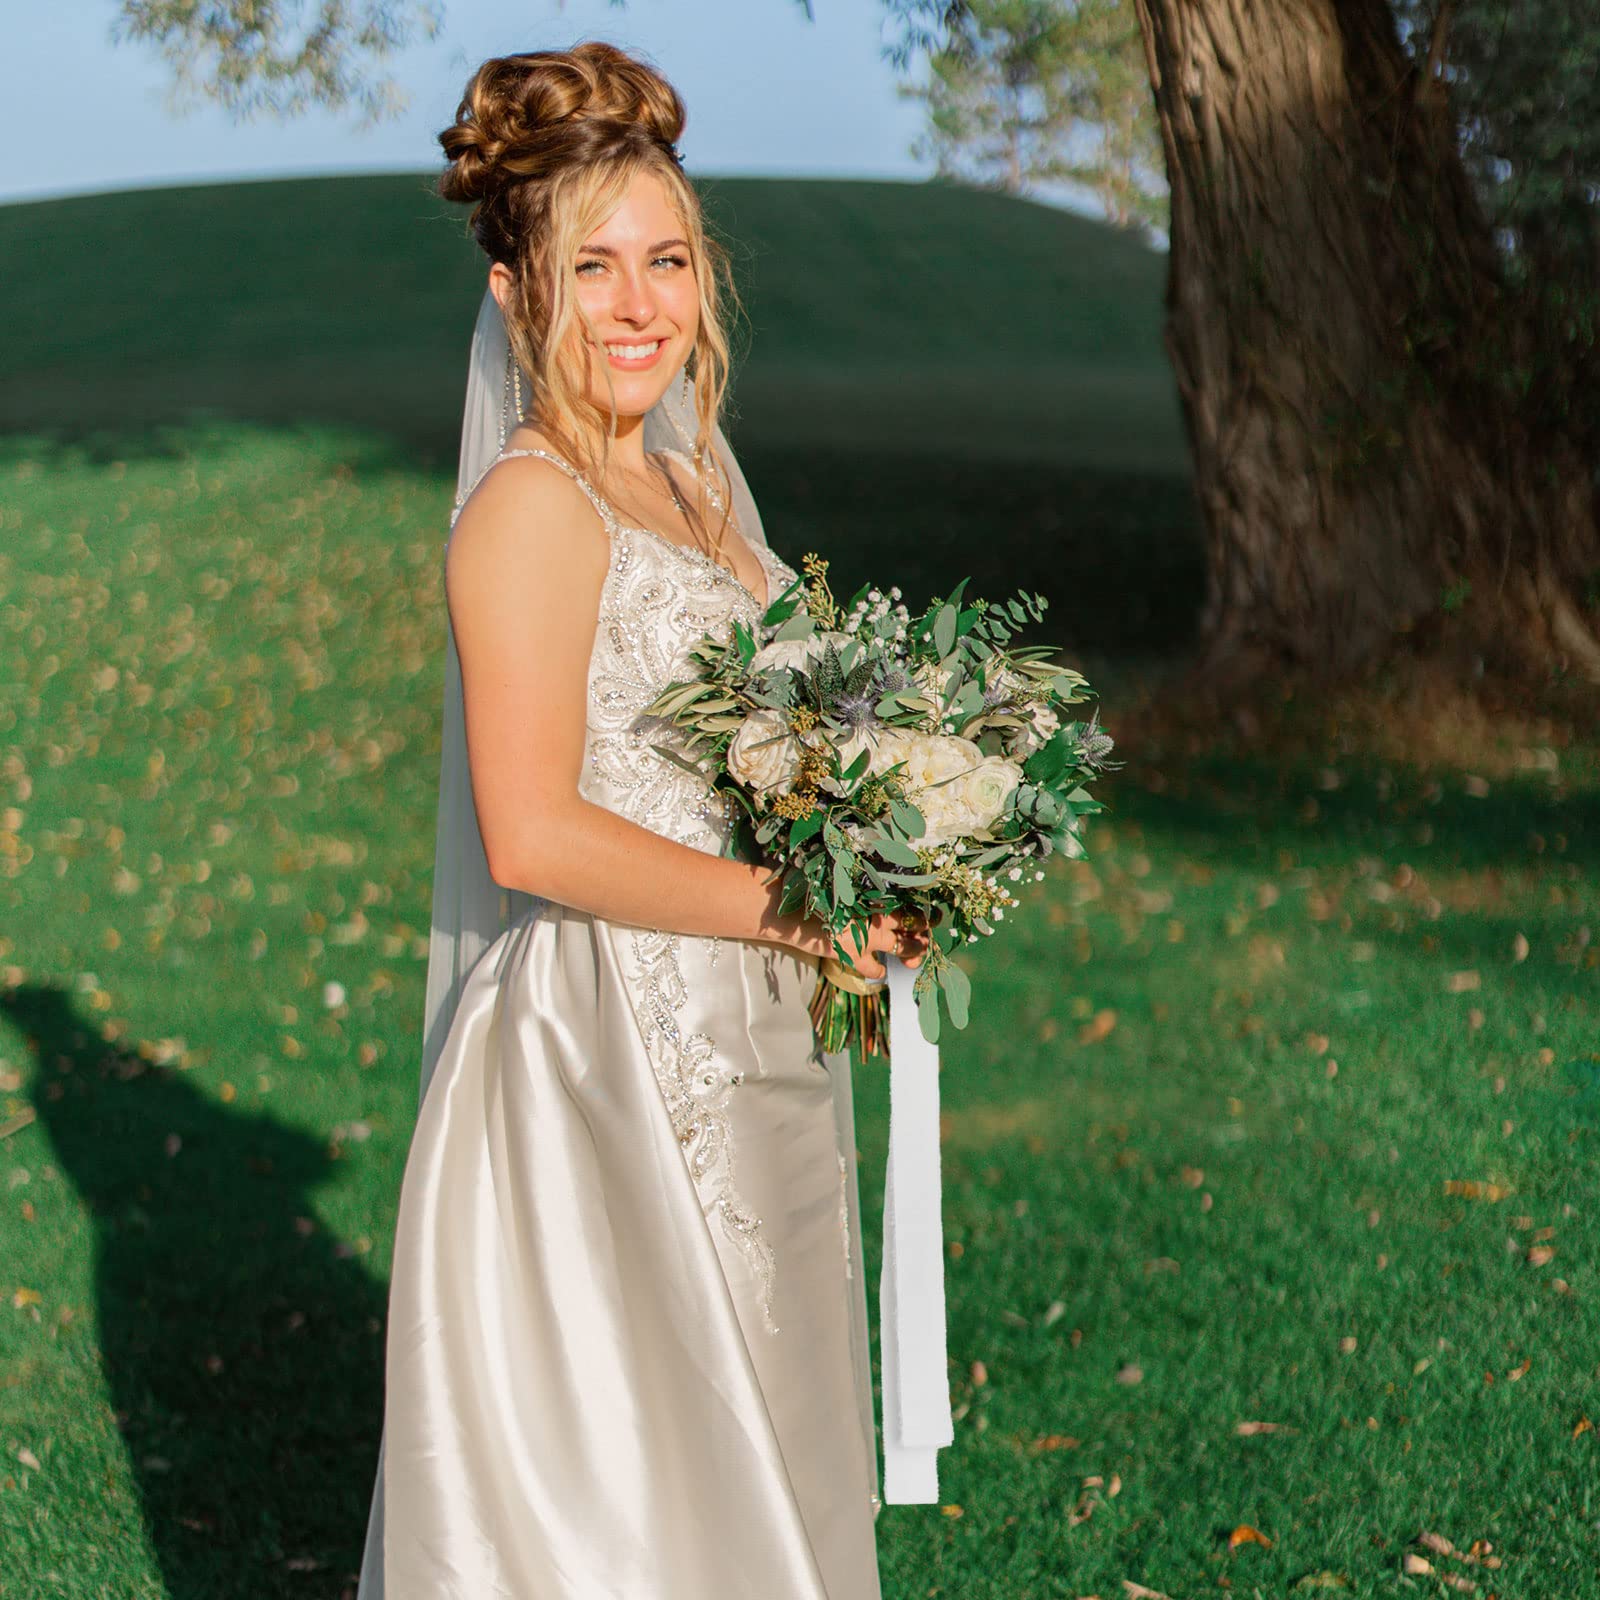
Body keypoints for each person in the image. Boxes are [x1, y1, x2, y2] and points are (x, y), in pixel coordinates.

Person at [355, 40, 931, 1599]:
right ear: (515, 295)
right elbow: (531, 834)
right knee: (640, 1491)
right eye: (590, 266)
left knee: (772, 1443)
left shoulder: (696, 490)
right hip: (605, 1052)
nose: (637, 304)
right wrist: (793, 913)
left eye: (666, 260)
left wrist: (881, 845)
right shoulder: (530, 508)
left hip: (761, 1034)